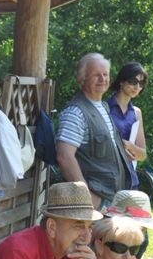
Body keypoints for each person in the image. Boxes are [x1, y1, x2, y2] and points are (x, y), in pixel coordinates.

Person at [56, 53, 132, 209]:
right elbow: (64, 157)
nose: (102, 79)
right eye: (96, 75)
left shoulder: (103, 106)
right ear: (82, 78)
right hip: (95, 203)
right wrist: (86, 197)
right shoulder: (75, 113)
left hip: (111, 200)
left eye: (105, 74)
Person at [107, 62, 149, 190]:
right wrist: (120, 146)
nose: (137, 86)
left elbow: (142, 155)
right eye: (133, 81)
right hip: (106, 180)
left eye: (141, 83)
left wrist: (129, 146)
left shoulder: (137, 113)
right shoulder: (104, 108)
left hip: (130, 181)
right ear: (121, 81)